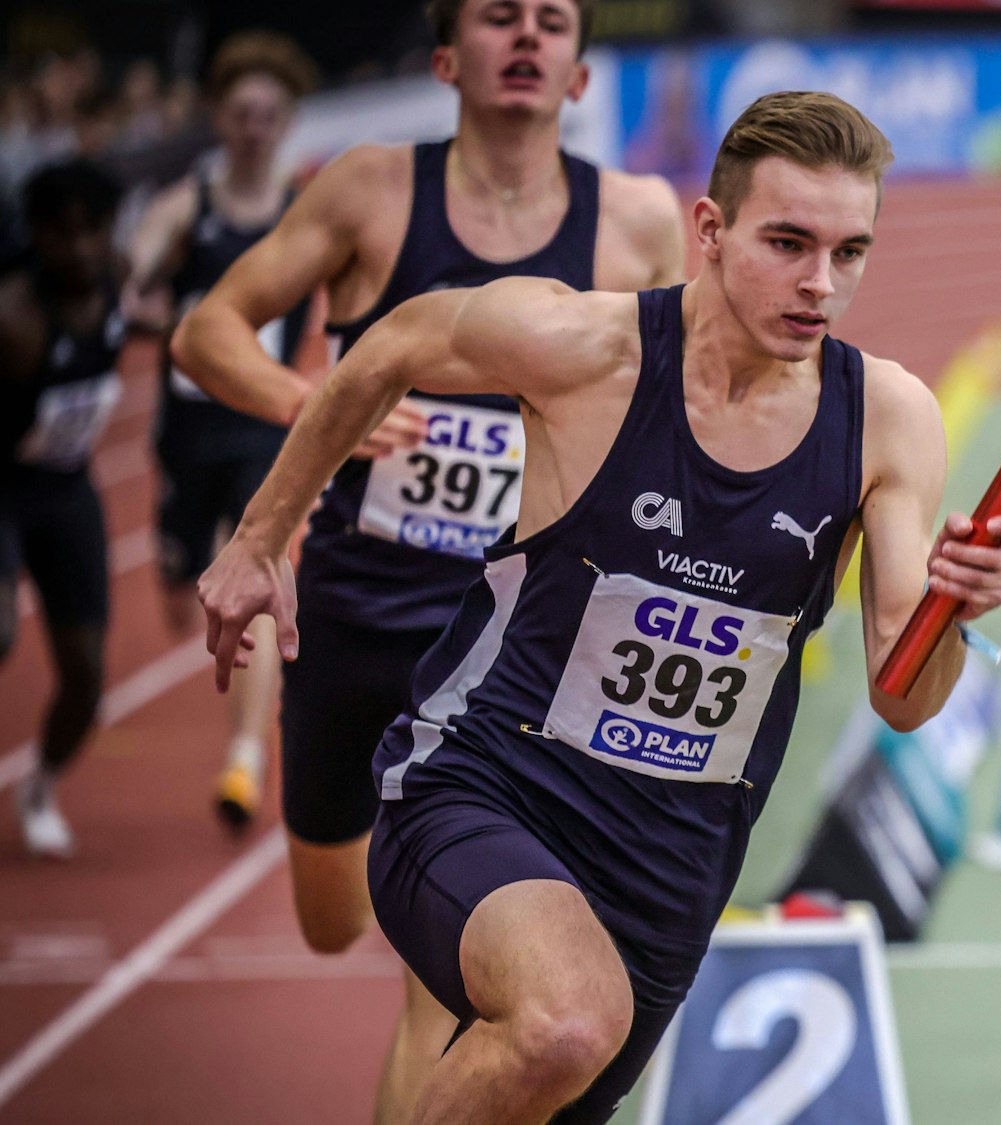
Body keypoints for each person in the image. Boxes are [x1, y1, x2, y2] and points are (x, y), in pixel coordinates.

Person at [197, 89, 1001, 1125]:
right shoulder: (584, 349)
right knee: (564, 1021)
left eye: (849, 252)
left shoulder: (884, 420)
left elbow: (904, 699)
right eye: (787, 242)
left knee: (556, 1065)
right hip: (489, 784)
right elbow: (393, 344)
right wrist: (258, 538)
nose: (820, 283)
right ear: (710, 232)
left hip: (671, 860)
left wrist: (953, 605)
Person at [171, 0, 685, 1117]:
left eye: (552, 21)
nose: (527, 37)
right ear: (449, 59)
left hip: (517, 641)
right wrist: (321, 402)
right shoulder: (370, 190)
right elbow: (207, 329)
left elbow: (686, 400)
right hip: (360, 615)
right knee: (332, 920)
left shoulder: (633, 224)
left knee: (440, 978)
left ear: (581, 75)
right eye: (500, 17)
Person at [123, 31, 320, 831]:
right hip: (187, 432)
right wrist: (175, 317)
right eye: (242, 114)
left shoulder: (302, 213)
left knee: (262, 588)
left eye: (270, 115)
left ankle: (245, 755)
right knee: (182, 586)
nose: (256, 129)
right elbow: (128, 293)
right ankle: (185, 576)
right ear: (219, 118)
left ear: (287, 121)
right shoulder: (185, 209)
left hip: (265, 428)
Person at [0, 159, 126, 859]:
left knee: (86, 675)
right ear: (38, 236)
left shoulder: (118, 274)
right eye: (61, 235)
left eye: (92, 233)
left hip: (70, 487)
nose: (78, 249)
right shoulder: (15, 319)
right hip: (7, 488)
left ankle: (40, 786)